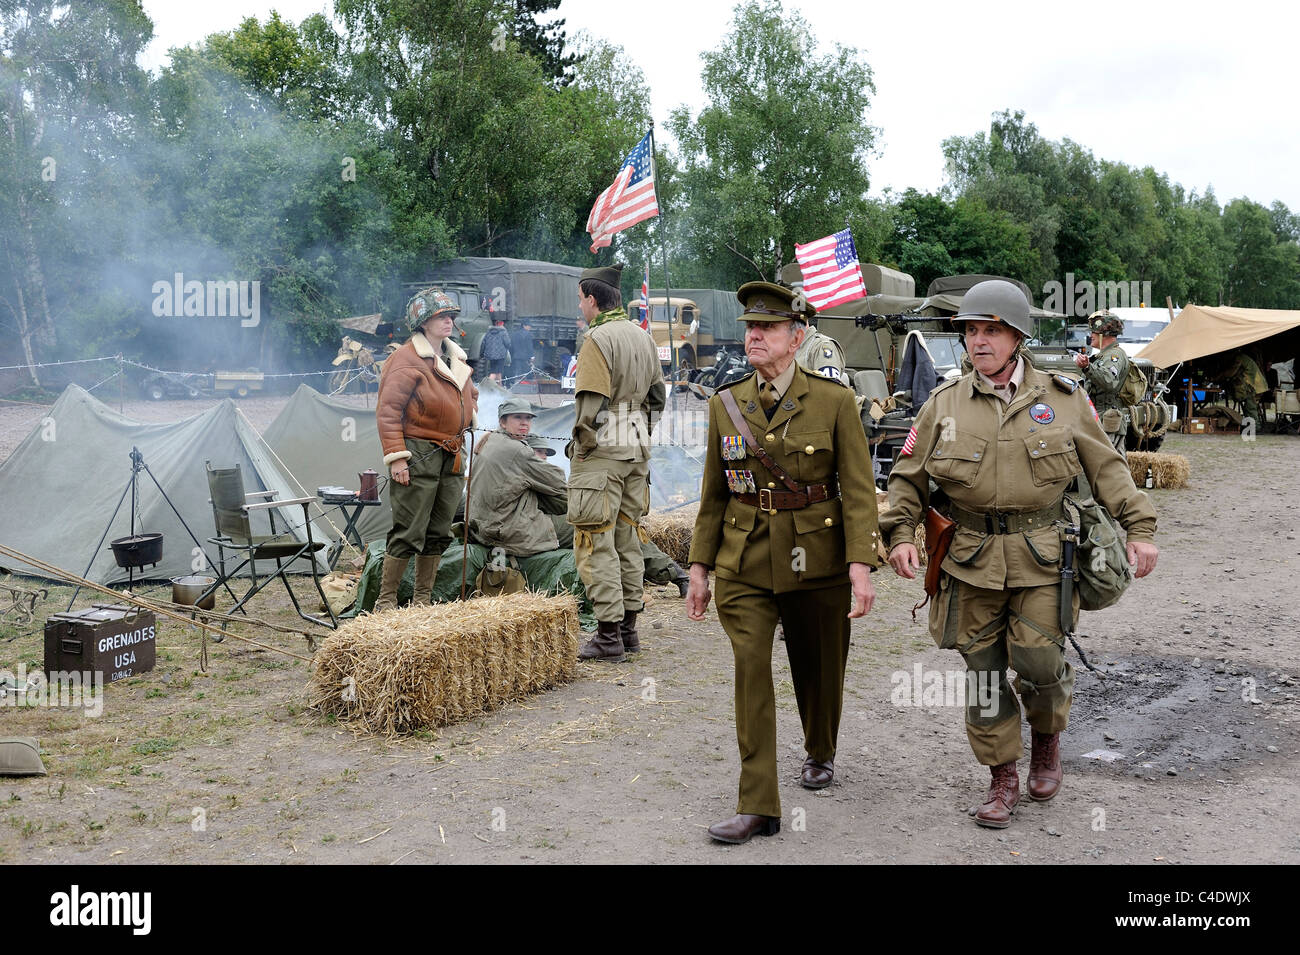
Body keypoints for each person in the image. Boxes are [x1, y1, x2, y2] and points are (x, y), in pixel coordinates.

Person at [882, 280, 1159, 829]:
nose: (978, 342)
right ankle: (1001, 777)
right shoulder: (943, 405)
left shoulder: (1063, 398)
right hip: (967, 558)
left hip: (1042, 556)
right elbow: (907, 480)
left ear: (1016, 336)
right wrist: (897, 536)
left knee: (1039, 660)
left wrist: (1140, 526)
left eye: (991, 331)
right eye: (971, 331)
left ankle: (1047, 740)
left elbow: (1107, 468)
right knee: (983, 673)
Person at [686, 281, 882, 845]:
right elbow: (713, 495)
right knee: (751, 670)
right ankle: (758, 805)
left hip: (815, 558)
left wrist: (860, 565)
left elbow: (859, 489)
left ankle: (821, 748)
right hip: (744, 559)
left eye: (767, 329)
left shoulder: (835, 401)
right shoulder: (726, 404)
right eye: (750, 328)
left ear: (796, 338)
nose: (754, 337)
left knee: (818, 667)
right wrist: (699, 568)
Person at [568, 263, 666, 662]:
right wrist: (639, 431)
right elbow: (658, 397)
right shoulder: (643, 336)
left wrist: (583, 444)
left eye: (581, 300)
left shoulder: (597, 338)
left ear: (592, 300)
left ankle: (607, 636)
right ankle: (627, 631)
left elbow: (590, 402)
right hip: (635, 444)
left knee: (595, 539)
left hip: (603, 450)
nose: (581, 307)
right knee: (628, 536)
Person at [374, 287, 479, 611]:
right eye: (441, 316)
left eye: (450, 316)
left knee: (438, 531)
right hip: (417, 452)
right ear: (422, 322)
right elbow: (388, 412)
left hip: (452, 454)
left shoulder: (456, 357)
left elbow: (470, 395)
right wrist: (397, 458)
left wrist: (470, 416)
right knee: (409, 529)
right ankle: (386, 601)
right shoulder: (405, 359)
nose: (448, 321)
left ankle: (422, 600)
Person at [467, 397, 568, 558]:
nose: (524, 423)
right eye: (517, 417)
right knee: (581, 523)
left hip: (484, 527)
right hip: (509, 532)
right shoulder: (516, 449)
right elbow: (558, 480)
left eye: (528, 418)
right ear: (503, 422)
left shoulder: (490, 439)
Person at [1073, 310, 1136, 454]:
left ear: (1104, 334)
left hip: (1107, 422)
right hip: (1099, 419)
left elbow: (1109, 381)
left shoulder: (1114, 355)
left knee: (1108, 467)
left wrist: (1087, 367)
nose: (1091, 336)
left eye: (1094, 333)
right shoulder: (1103, 355)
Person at [481, 318, 511, 384]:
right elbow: (508, 343)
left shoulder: (488, 332)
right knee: (494, 372)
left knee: (498, 372)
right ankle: (487, 386)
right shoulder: (503, 332)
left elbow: (483, 343)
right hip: (501, 355)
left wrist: (482, 353)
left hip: (490, 355)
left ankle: (499, 387)